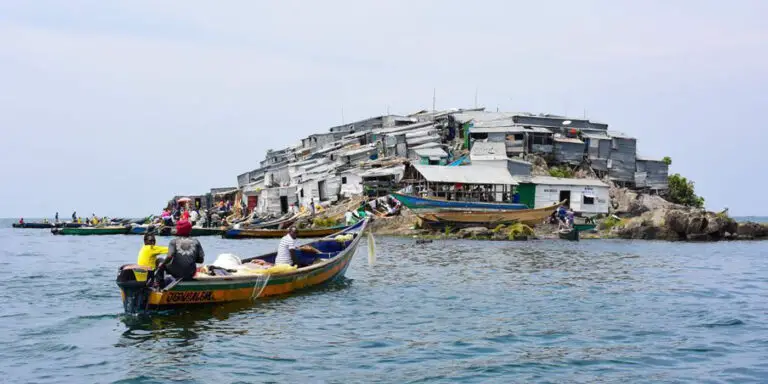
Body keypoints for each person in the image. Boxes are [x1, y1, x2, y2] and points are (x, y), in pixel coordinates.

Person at [155, 220, 205, 285]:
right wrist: (190, 257)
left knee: (159, 260)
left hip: (176, 273)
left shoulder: (174, 241)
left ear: (178, 230)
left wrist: (162, 265)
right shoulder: (196, 241)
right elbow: (201, 260)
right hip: (191, 273)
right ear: (189, 230)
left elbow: (170, 256)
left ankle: (160, 285)